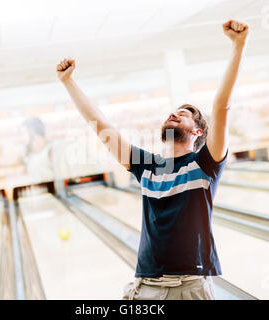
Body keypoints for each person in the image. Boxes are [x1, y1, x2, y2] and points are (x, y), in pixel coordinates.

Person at [57, 19, 249, 300]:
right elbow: (98, 123)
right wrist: (68, 81)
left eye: (183, 114)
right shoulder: (146, 166)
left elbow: (222, 106)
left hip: (190, 288)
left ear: (197, 132)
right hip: (144, 287)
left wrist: (238, 45)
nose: (173, 114)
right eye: (172, 111)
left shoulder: (205, 164)